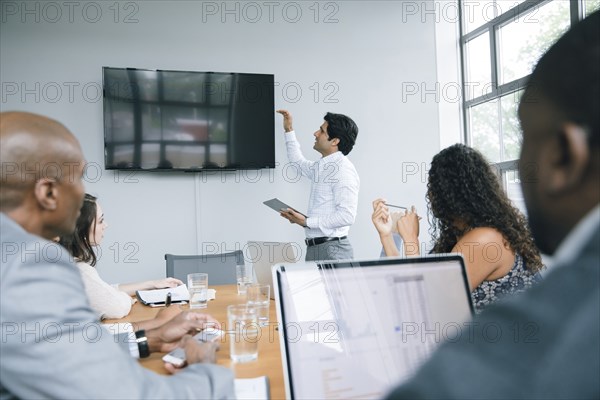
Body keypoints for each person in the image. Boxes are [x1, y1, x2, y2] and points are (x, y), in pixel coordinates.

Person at [387, 10, 599, 398]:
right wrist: (390, 237)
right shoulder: (482, 234)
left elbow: (419, 313)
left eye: (525, 138)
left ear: (565, 155)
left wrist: (409, 241)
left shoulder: (484, 241)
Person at [0, 111, 234, 398]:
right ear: (48, 192)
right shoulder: (28, 264)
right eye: (80, 178)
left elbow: (60, 357)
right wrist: (206, 370)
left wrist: (151, 339)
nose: (83, 192)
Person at [372, 144, 544, 312]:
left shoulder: (483, 239)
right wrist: (387, 235)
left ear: (447, 194)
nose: (430, 195)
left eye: (433, 187)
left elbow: (428, 306)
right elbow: (407, 286)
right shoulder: (460, 235)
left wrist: (411, 240)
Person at [59, 193, 183, 319]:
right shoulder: (78, 270)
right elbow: (117, 307)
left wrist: (152, 284)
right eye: (101, 221)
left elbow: (104, 291)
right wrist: (126, 299)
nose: (106, 225)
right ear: (80, 230)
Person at [276, 109, 360, 261]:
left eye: (321, 131)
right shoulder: (322, 166)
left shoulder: (343, 170)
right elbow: (297, 163)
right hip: (315, 248)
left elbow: (347, 216)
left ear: (335, 141)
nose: (315, 133)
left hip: (333, 251)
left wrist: (306, 221)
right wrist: (288, 129)